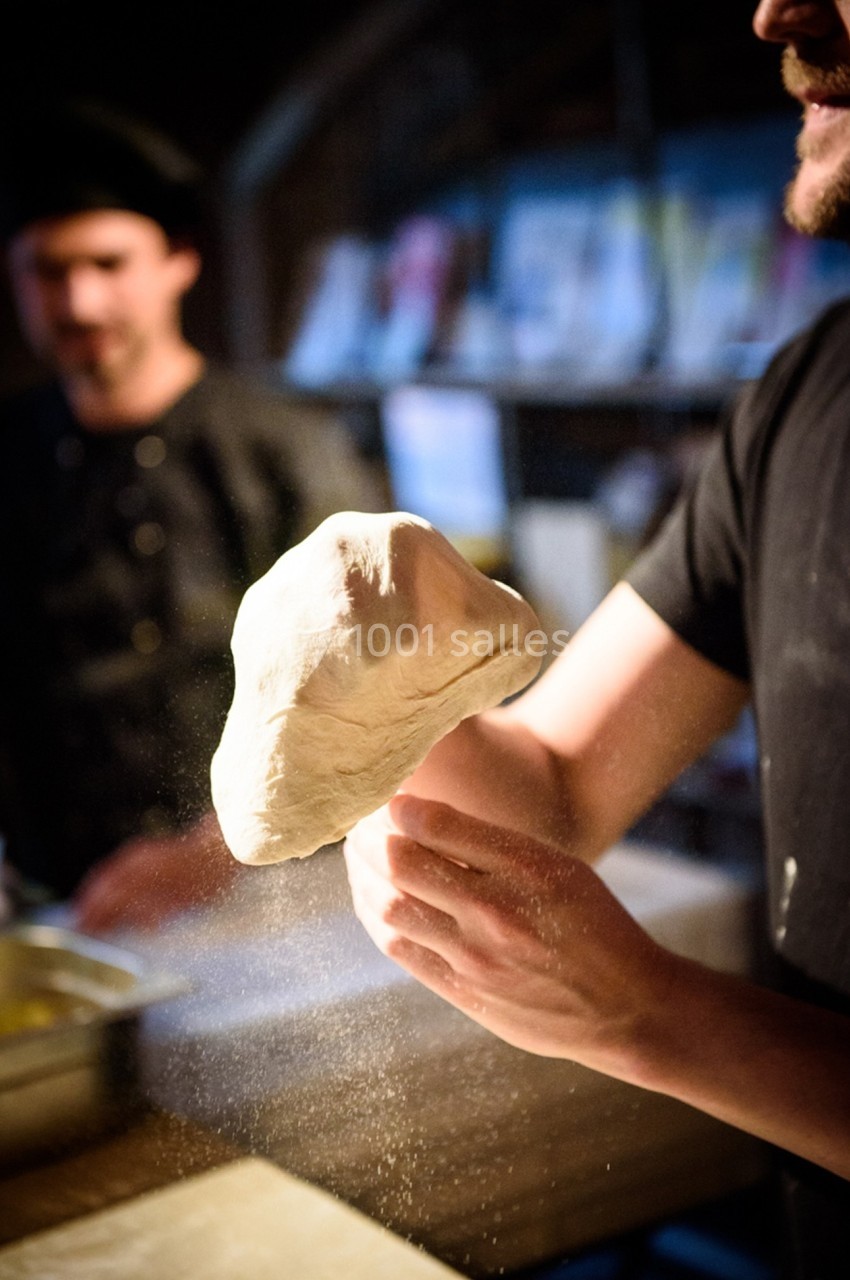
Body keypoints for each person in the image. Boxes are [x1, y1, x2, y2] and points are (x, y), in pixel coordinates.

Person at [342, 2, 850, 1273]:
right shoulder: (805, 395)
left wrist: (648, 1016)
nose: (778, 11)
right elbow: (551, 791)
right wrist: (379, 677)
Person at [0, 101, 382, 933]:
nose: (81, 300)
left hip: (272, 903)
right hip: (60, 911)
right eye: (47, 270)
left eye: (108, 262)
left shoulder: (284, 451)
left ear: (179, 261)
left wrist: (213, 853)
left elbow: (370, 678)